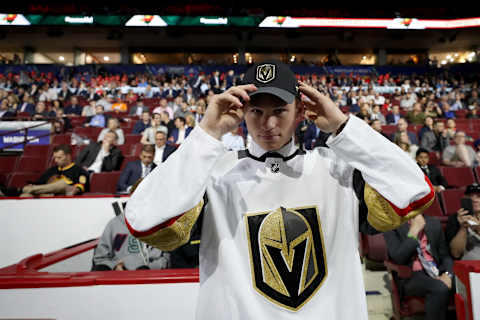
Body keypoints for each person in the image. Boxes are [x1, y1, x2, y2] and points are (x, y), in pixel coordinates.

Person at [125, 61, 433, 319]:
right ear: (242, 113)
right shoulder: (213, 173)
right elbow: (145, 221)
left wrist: (342, 127)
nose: (267, 122)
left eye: (280, 110)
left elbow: (415, 191)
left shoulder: (339, 169)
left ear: (300, 112)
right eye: (256, 111)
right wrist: (206, 134)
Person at [384, 214, 454, 320]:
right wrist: (414, 231)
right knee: (439, 287)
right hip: (411, 275)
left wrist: (448, 274)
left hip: (436, 270)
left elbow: (445, 256)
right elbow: (398, 257)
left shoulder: (433, 222)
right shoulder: (391, 224)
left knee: (466, 283)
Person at [93, 200, 170, 271]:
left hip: (150, 278)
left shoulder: (159, 225)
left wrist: (148, 269)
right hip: (120, 278)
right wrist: (115, 266)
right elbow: (100, 258)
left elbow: (166, 259)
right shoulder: (114, 224)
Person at [21, 144, 89, 197]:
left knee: (63, 184)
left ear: (68, 156)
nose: (56, 160)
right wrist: (32, 185)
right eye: (55, 158)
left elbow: (80, 186)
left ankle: (32, 189)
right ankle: (31, 190)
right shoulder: (51, 170)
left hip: (61, 196)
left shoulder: (79, 170)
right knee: (25, 196)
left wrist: (75, 189)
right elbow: (39, 183)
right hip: (44, 194)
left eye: (59, 157)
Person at [445, 183, 480, 260]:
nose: (474, 200)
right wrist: (463, 228)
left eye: (478, 196)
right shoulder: (455, 219)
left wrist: (478, 229)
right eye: (470, 196)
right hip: (468, 265)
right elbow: (456, 253)